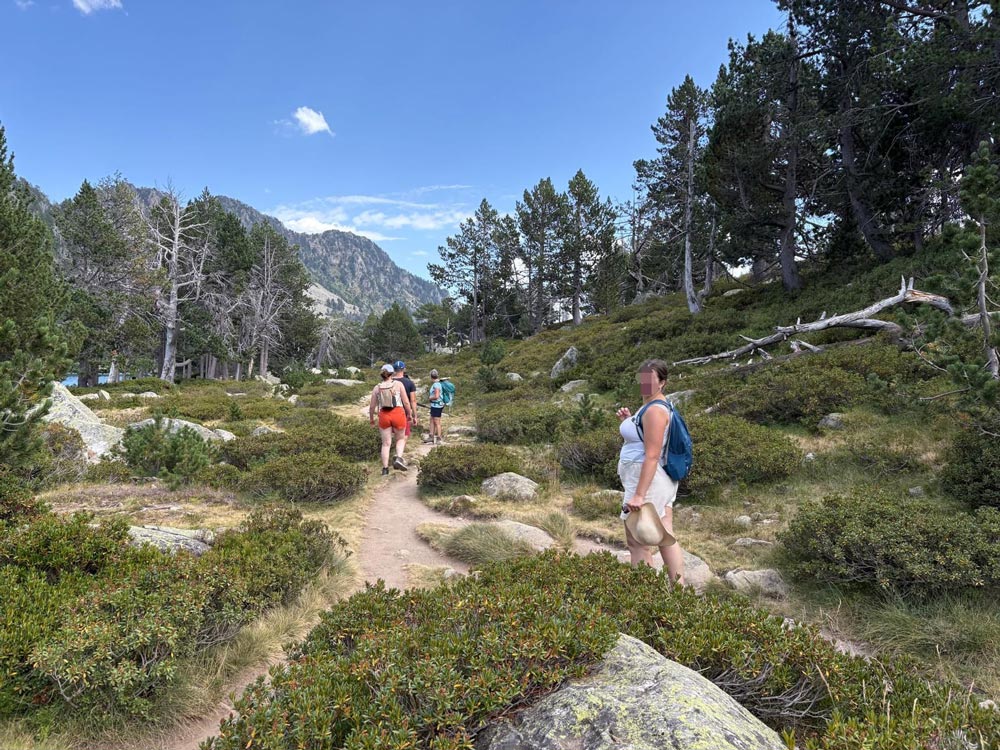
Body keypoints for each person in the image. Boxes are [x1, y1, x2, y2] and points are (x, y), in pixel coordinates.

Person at [616, 358, 685, 586]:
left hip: (648, 481)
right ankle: (679, 591)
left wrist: (638, 494)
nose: (644, 383)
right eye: (642, 379)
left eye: (650, 380)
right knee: (665, 535)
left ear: (662, 382)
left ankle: (646, 595)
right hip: (657, 480)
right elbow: (646, 440)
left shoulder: (655, 410)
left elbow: (652, 455)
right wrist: (630, 421)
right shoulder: (651, 406)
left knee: (638, 542)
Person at [369, 363, 413, 475]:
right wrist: (410, 414)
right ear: (392, 373)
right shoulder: (398, 384)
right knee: (400, 439)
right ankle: (398, 458)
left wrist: (371, 419)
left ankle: (385, 469)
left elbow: (372, 406)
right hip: (398, 413)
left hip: (384, 414)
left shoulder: (377, 387)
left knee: (385, 444)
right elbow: (406, 402)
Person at [392, 360, 419, 441]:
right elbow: (413, 400)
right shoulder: (410, 383)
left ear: (394, 370)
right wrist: (414, 415)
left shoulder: (389, 382)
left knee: (391, 436)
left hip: (389, 411)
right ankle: (399, 452)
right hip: (404, 413)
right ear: (404, 369)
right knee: (404, 436)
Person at [426, 369, 445, 445]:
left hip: (436, 405)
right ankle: (431, 436)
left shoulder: (436, 385)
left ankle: (439, 438)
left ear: (431, 376)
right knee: (431, 419)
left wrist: (430, 398)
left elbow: (436, 396)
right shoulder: (438, 383)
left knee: (437, 421)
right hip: (436, 405)